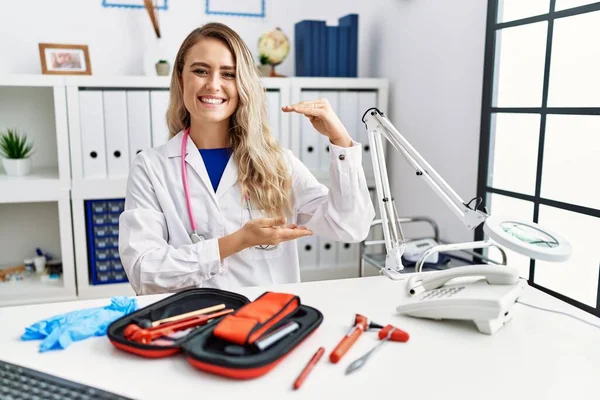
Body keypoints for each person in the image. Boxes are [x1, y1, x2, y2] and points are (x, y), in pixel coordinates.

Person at [119, 22, 375, 295]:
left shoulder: (278, 163)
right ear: (181, 77)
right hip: (190, 326)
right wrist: (236, 242)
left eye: (228, 74)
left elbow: (350, 227)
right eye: (201, 71)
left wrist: (341, 142)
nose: (213, 84)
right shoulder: (151, 167)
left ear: (243, 85)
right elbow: (143, 272)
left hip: (266, 325)